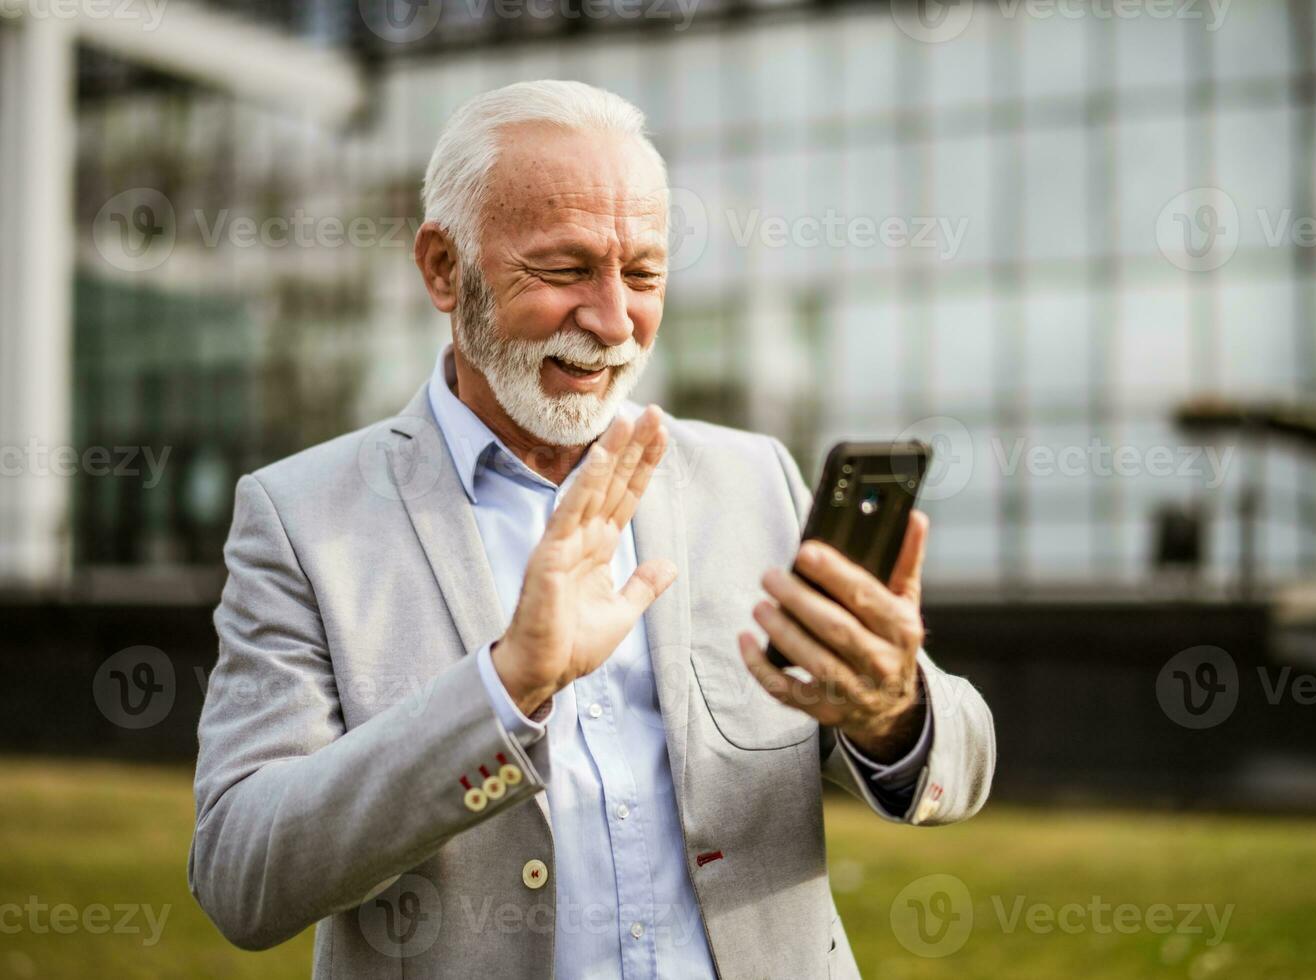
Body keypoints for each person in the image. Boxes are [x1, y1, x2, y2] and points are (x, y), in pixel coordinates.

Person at [189, 79, 995, 979]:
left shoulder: (750, 478)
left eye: (643, 273)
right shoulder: (303, 519)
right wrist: (504, 690)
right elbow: (241, 876)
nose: (614, 321)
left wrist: (890, 710)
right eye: (565, 269)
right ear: (444, 269)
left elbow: (961, 769)